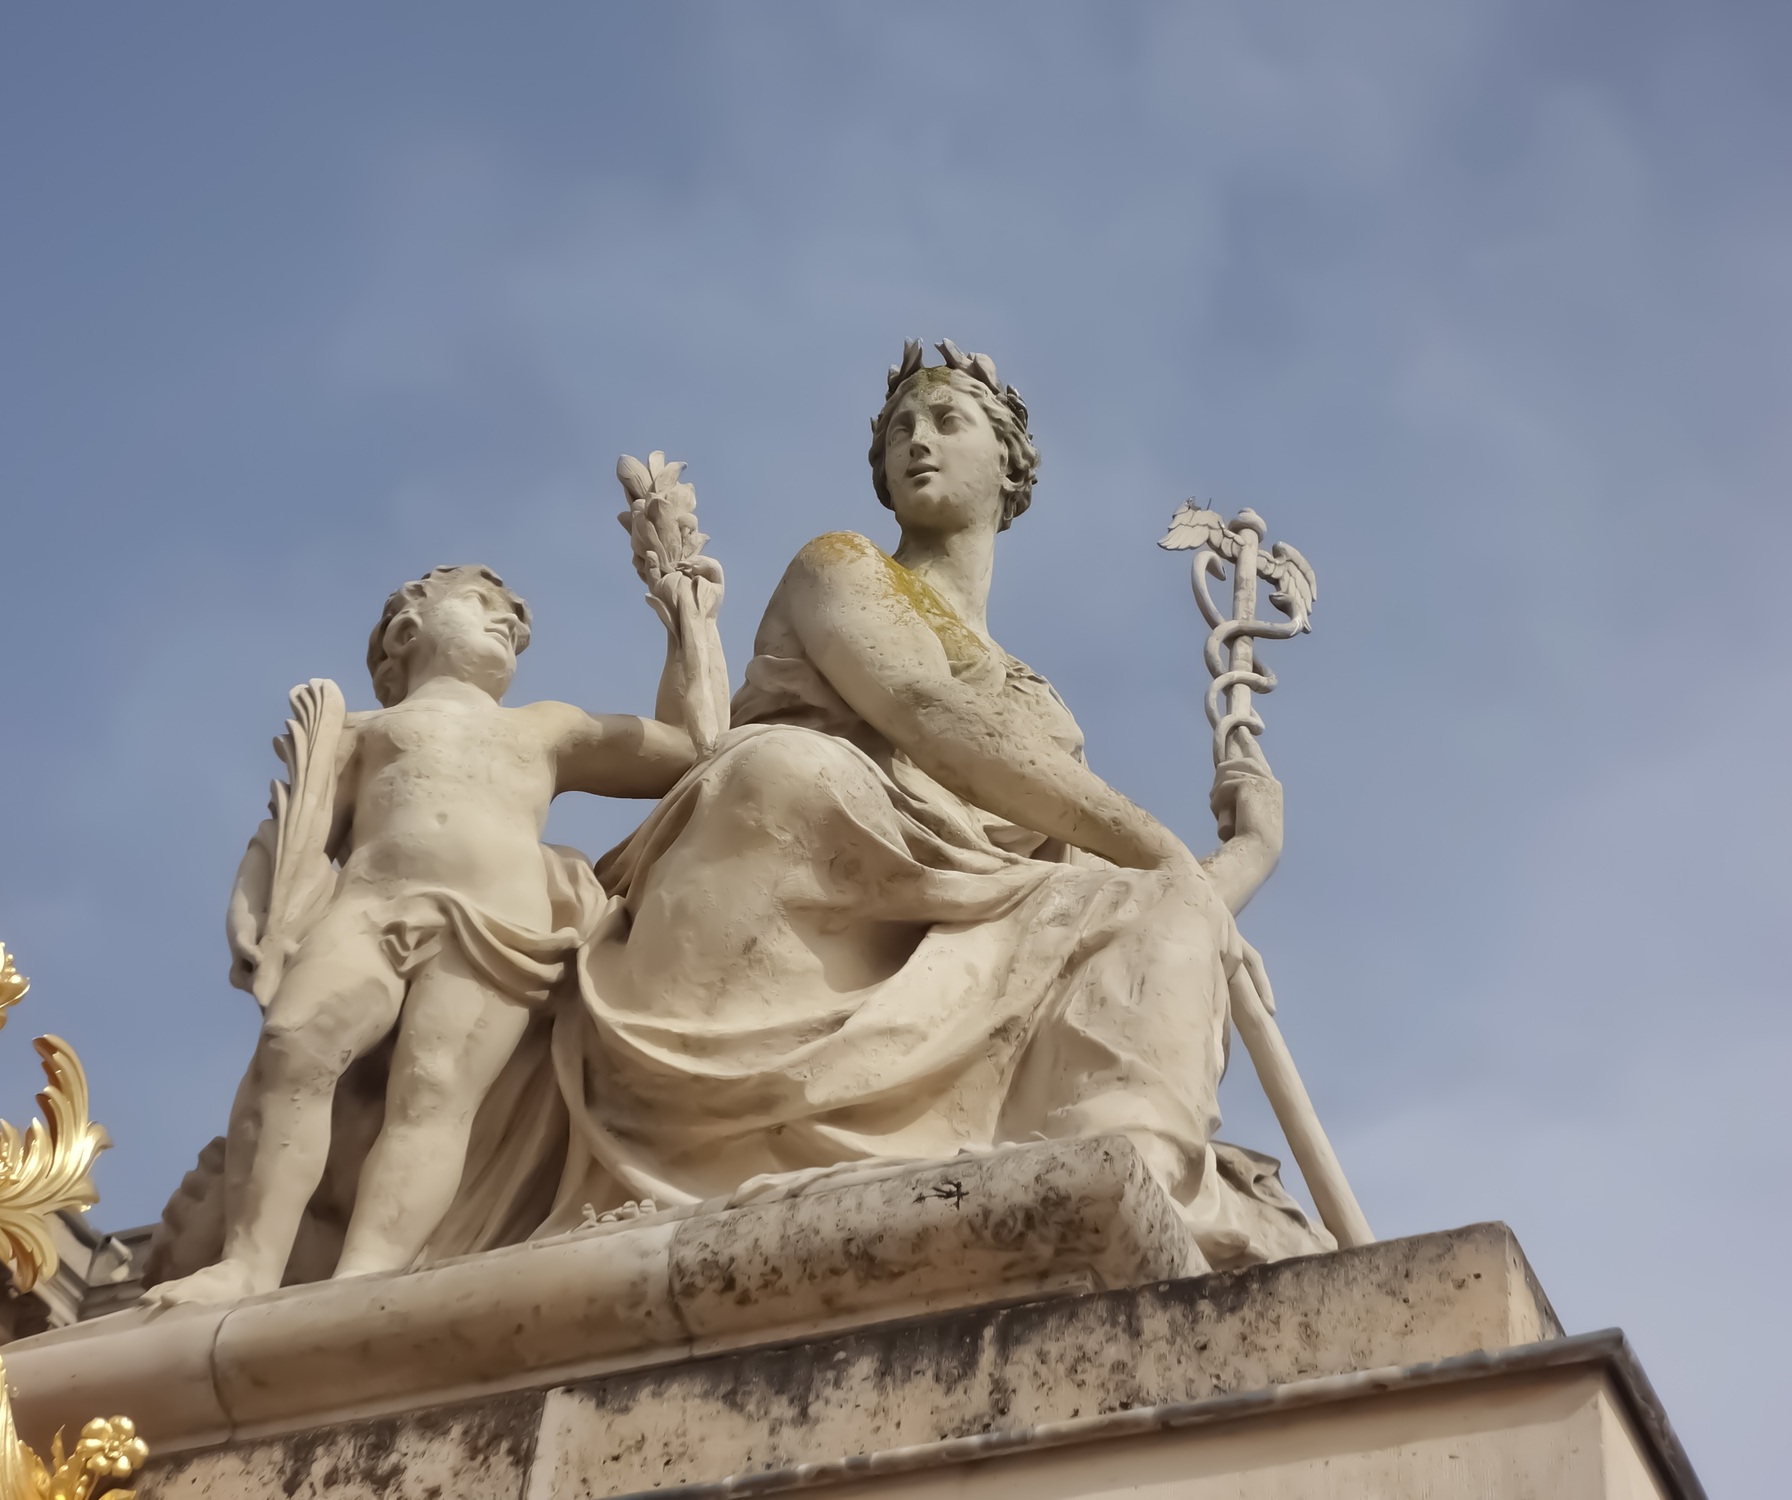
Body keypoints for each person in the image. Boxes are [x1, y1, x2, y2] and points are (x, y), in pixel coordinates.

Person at [542, 341, 1328, 1265]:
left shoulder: (1043, 712)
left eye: (948, 421)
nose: (917, 440)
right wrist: (1157, 844)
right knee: (794, 770)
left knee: (1155, 921)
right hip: (803, 886)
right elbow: (925, 710)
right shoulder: (840, 566)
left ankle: (1132, 1176)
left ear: (1009, 467)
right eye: (900, 428)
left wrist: (1250, 851)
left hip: (959, 929)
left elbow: (1141, 920)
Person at [147, 557, 725, 1306]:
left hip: (496, 923)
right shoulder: (361, 730)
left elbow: (690, 747)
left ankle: (368, 1274)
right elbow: (291, 832)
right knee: (295, 1045)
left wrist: (688, 617)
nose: (507, 624)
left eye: (515, 624)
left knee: (435, 1093)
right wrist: (254, 910)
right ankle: (248, 1265)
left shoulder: (544, 728)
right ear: (407, 628)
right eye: (484, 604)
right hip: (369, 907)